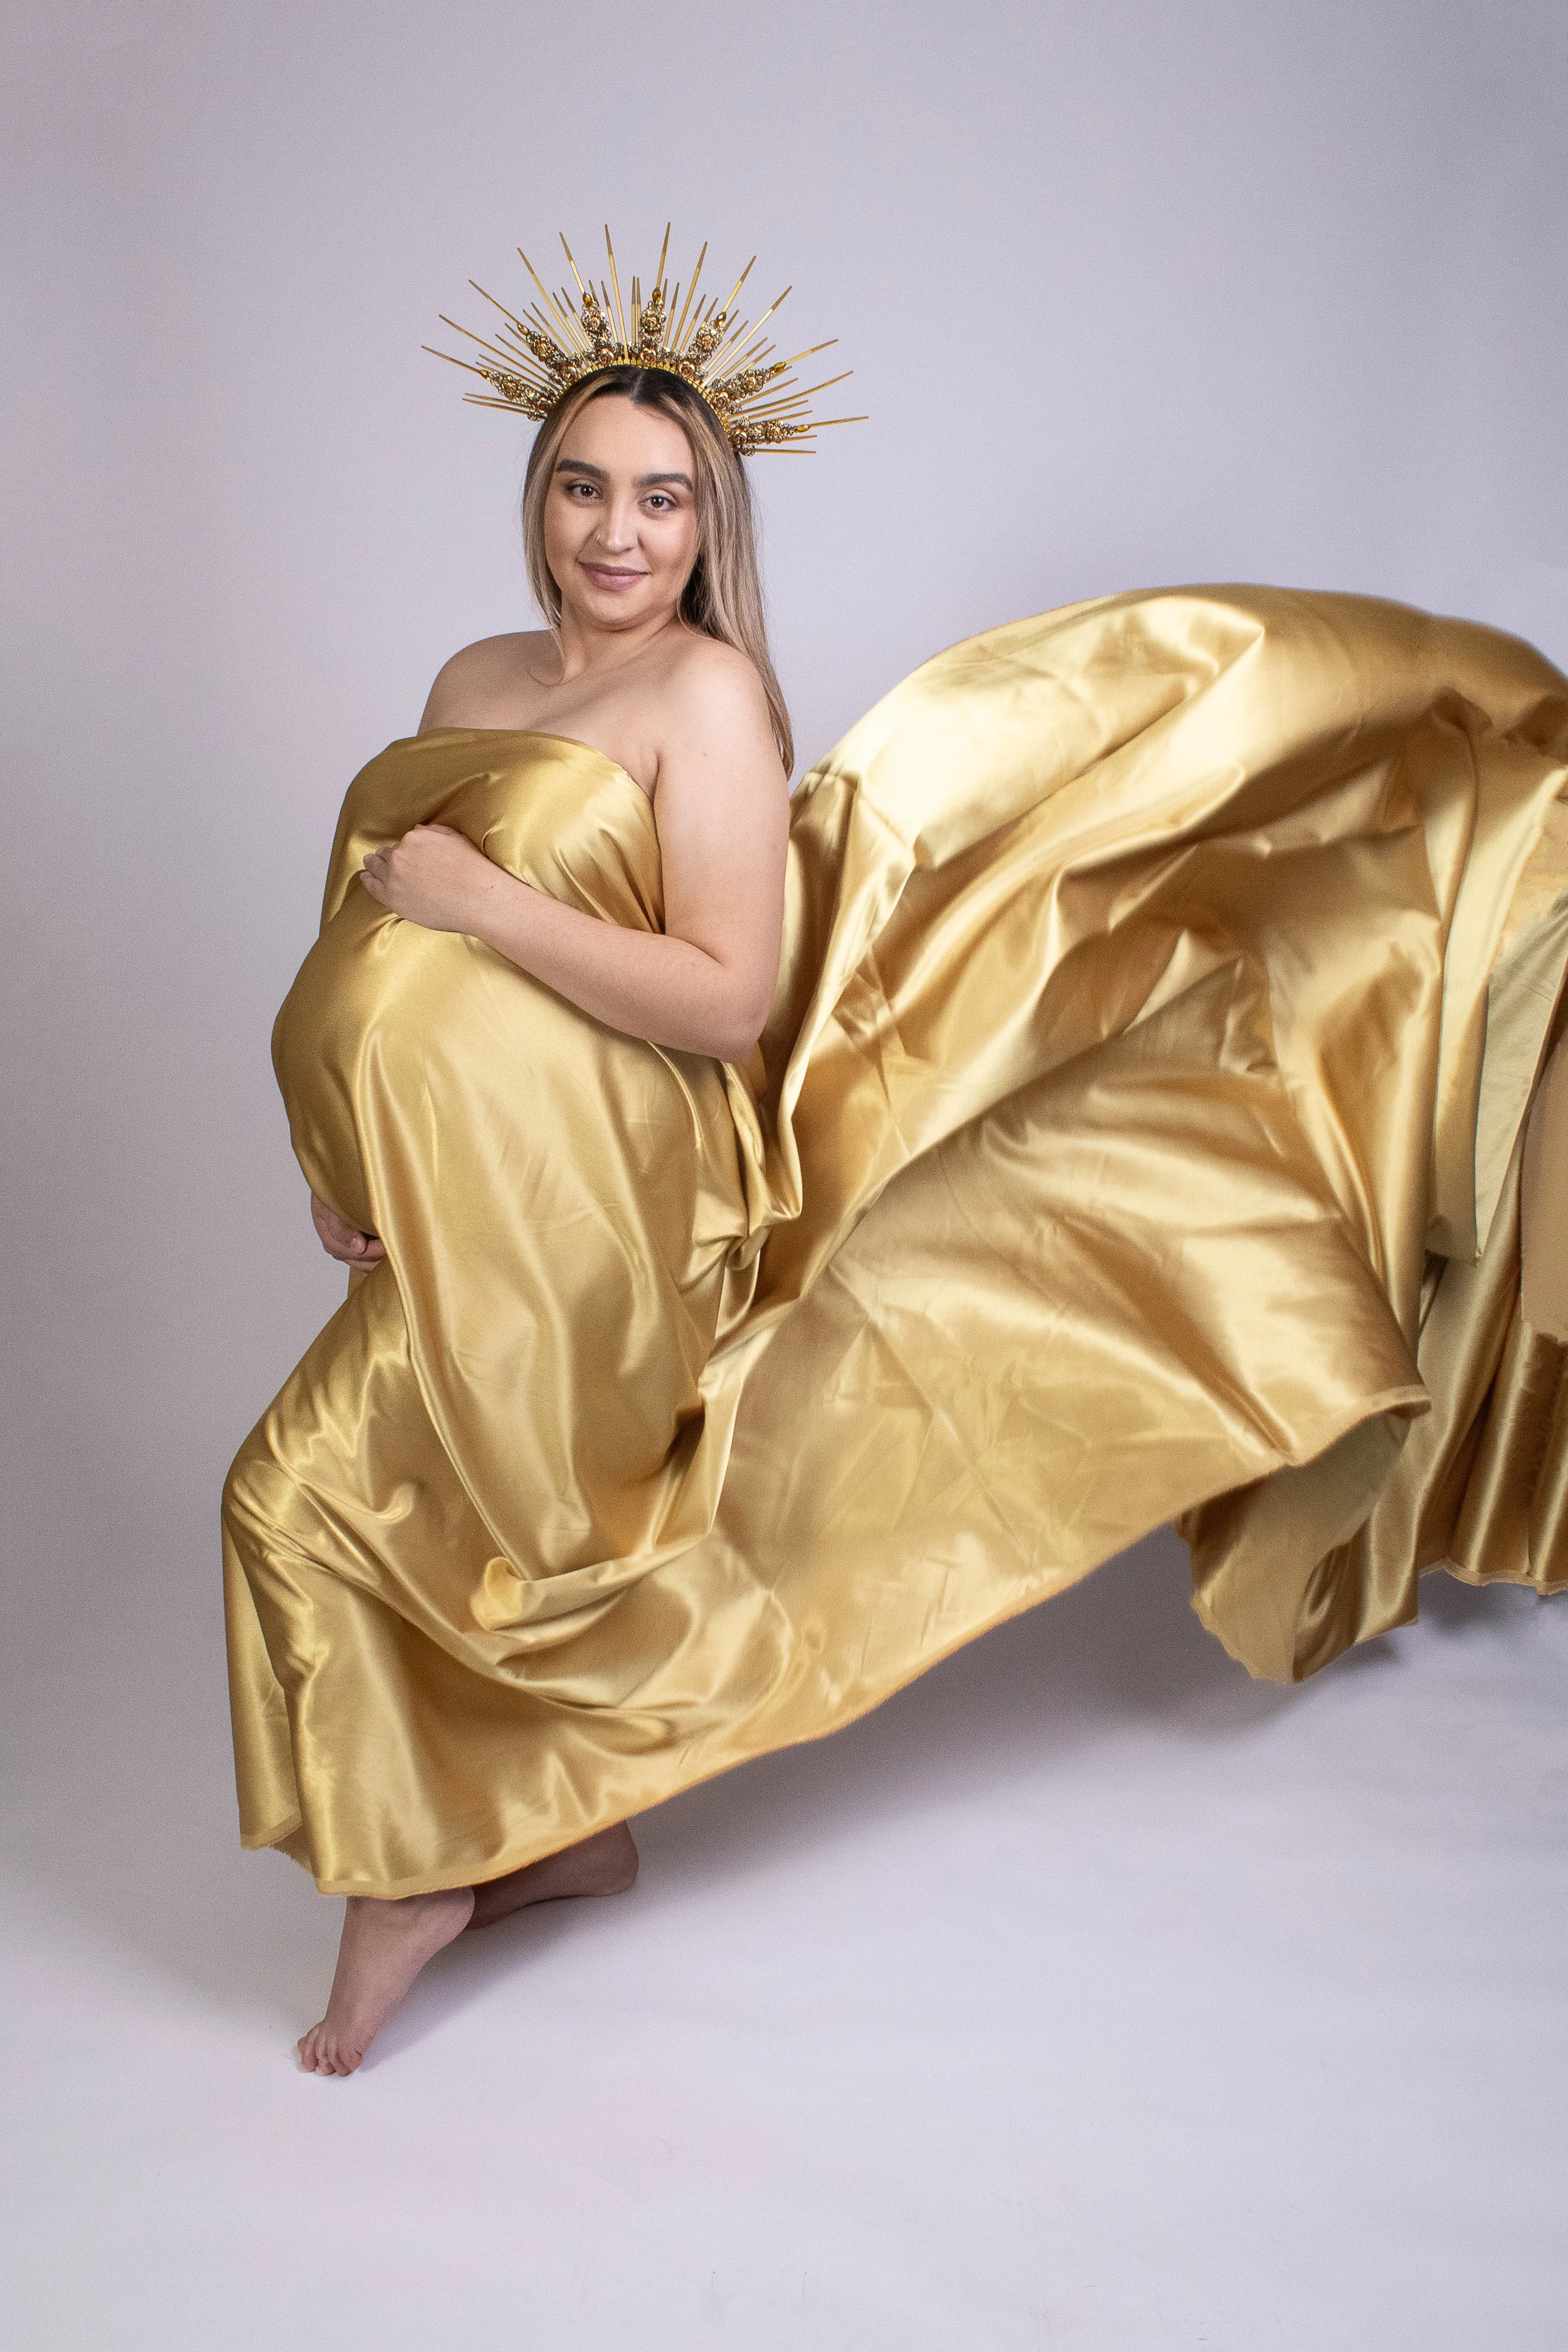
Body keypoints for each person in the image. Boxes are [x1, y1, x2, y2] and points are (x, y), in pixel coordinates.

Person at [224, 236, 1568, 2077]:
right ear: (534, 495)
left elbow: (718, 993)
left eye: (662, 501)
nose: (617, 533)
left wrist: (477, 901)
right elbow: (379, 939)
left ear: (711, 527)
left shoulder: (705, 699)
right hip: (461, 1192)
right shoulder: (477, 664)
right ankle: (557, 1837)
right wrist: (357, 1159)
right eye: (583, 487)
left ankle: (423, 1873)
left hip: (611, 1190)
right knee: (404, 1494)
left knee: (309, 1496)